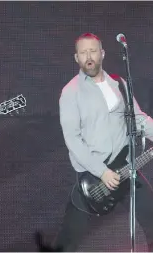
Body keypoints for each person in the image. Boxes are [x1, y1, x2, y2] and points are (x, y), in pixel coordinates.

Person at [36, 33, 153, 252]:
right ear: (76, 58)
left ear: (102, 53)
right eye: (83, 53)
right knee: (67, 242)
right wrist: (102, 172)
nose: (88, 57)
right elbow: (73, 140)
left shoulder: (119, 84)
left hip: (126, 169)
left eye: (92, 51)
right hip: (93, 179)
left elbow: (138, 119)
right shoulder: (70, 93)